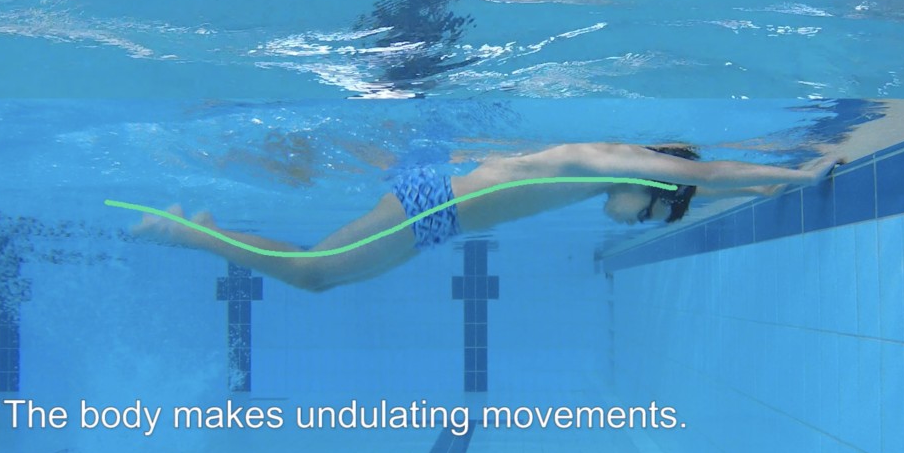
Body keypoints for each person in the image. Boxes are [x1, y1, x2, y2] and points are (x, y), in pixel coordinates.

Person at [133, 143, 842, 292]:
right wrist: (801, 174)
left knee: (319, 274)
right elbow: (703, 175)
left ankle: (198, 224)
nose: (637, 221)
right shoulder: (615, 161)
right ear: (654, 179)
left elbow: (698, 189)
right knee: (314, 274)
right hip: (433, 205)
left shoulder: (612, 173)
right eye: (652, 212)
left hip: (437, 208)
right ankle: (187, 227)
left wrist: (760, 192)